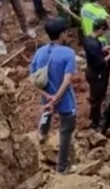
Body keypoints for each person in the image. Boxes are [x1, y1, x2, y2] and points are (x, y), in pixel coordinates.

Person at [30, 18, 77, 174]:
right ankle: (62, 166)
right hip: (64, 99)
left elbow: (33, 79)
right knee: (66, 129)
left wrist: (48, 96)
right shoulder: (68, 53)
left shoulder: (40, 52)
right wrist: (57, 97)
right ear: (62, 34)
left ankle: (42, 133)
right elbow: (67, 79)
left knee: (47, 112)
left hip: (47, 97)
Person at [84, 18, 110, 130]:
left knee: (95, 96)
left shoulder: (89, 39)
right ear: (101, 29)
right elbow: (100, 63)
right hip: (97, 74)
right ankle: (95, 121)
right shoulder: (94, 44)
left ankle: (94, 116)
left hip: (91, 71)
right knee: (97, 97)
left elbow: (94, 54)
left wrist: (104, 49)